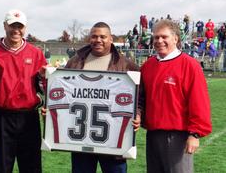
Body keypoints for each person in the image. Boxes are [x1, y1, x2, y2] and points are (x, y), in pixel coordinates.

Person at [0, 9, 47, 173]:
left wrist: (49, 102)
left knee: (32, 167)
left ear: (25, 28)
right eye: (12, 25)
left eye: (20, 26)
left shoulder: (36, 54)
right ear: (5, 26)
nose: (16, 30)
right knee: (1, 168)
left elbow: (45, 86)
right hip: (1, 118)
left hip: (29, 119)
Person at [134, 19, 212, 173]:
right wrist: (138, 113)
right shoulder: (148, 66)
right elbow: (140, 98)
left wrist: (195, 134)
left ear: (176, 38)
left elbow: (199, 101)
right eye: (156, 37)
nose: (159, 41)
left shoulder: (190, 65)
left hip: (179, 136)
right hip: (153, 135)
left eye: (164, 37)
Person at [65, 22, 140, 173]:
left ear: (111, 39)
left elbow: (141, 97)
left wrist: (138, 113)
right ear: (89, 39)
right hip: (81, 140)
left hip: (113, 138)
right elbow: (63, 92)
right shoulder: (75, 61)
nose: (98, 40)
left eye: (102, 36)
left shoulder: (127, 65)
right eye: (94, 36)